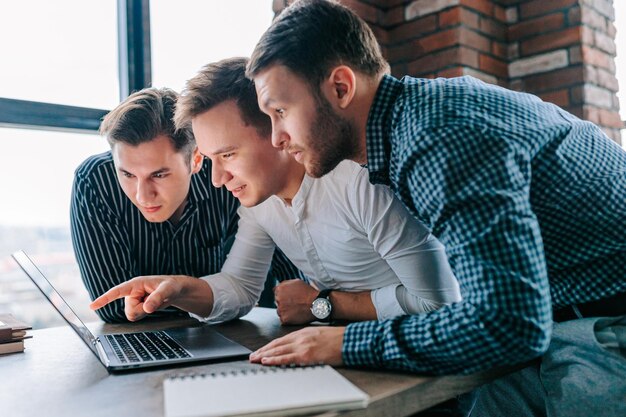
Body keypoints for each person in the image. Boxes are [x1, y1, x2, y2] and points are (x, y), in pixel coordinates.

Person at [244, 0, 626, 415]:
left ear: (340, 87)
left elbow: (508, 322)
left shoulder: (435, 140)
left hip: (603, 320)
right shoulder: (417, 120)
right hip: (557, 315)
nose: (277, 137)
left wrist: (342, 343)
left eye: (280, 111)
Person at [89, 57, 461, 328]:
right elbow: (239, 287)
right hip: (351, 355)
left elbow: (440, 303)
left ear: (276, 130)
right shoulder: (258, 203)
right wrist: (179, 289)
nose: (217, 179)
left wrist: (324, 305)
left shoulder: (359, 180)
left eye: (228, 154)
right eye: (212, 158)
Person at [70, 87, 299, 323]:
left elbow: (291, 283)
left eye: (159, 175)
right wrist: (200, 300)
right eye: (127, 175)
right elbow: (113, 306)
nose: (143, 196)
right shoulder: (95, 180)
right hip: (148, 337)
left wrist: (305, 301)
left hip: (223, 335)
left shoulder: (226, 177)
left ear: (196, 159)